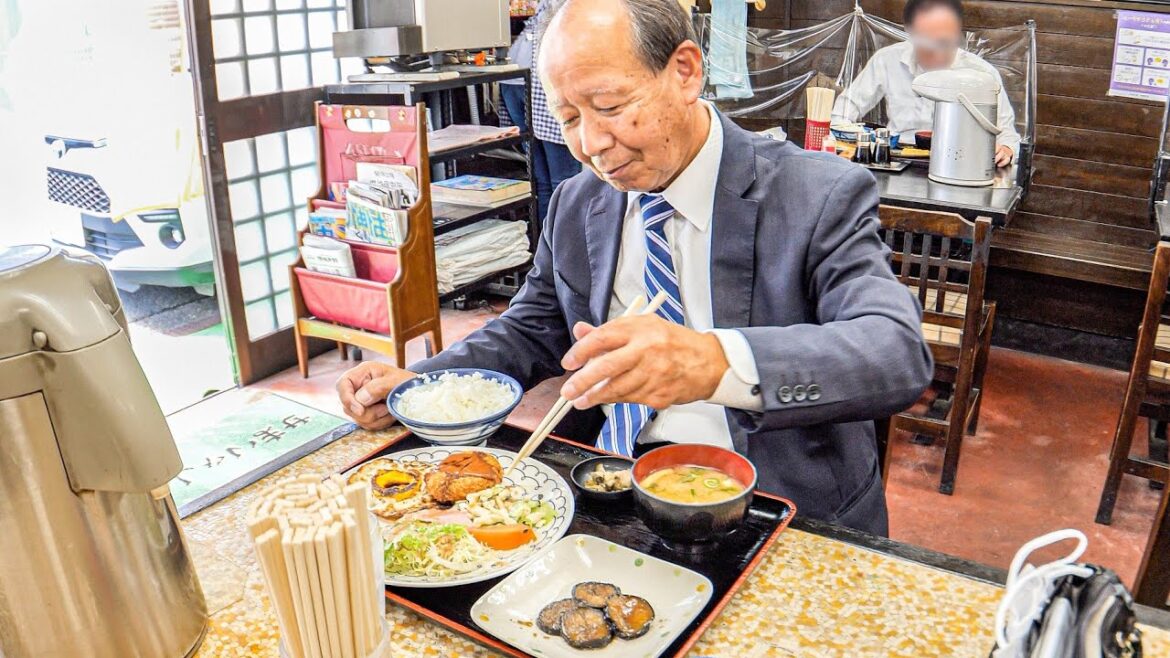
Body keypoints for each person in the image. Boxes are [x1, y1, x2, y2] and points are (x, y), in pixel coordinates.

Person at [337, 0, 933, 536]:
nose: (593, 144)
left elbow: (895, 351)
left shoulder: (814, 193)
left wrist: (712, 363)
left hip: (778, 510)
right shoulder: (578, 202)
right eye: (569, 119)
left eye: (611, 106)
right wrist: (426, 386)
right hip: (610, 490)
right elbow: (532, 326)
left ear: (685, 71)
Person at [831, 0, 1020, 168]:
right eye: (928, 44)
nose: (938, 54)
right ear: (910, 33)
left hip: (958, 163)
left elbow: (1008, 135)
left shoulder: (981, 74)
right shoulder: (887, 60)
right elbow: (842, 113)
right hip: (895, 159)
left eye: (945, 43)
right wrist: (859, 139)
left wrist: (1006, 150)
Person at [499, 0, 582, 219]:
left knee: (549, 181)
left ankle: (554, 242)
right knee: (558, 181)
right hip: (532, 81)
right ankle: (560, 244)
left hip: (521, 79)